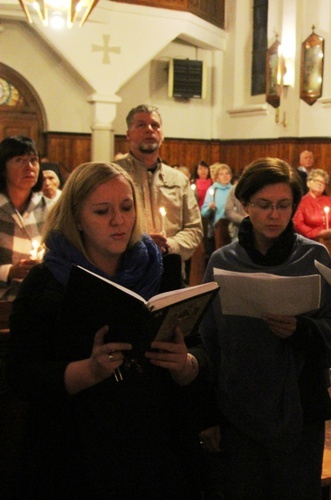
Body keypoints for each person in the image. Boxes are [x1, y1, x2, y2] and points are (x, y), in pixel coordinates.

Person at [6, 162, 204, 497]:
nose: (119, 220)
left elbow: (199, 350)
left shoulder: (162, 269)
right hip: (74, 450)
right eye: (102, 211)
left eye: (126, 208)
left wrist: (185, 364)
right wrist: (89, 370)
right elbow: (21, 375)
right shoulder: (46, 282)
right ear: (77, 219)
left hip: (153, 445)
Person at [198, 157, 331, 498]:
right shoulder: (223, 261)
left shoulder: (315, 257)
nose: (274, 215)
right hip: (236, 407)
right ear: (244, 205)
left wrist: (301, 332)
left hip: (300, 407)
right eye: (264, 205)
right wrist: (205, 412)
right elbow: (208, 342)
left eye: (284, 205)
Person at [115, 104, 202, 263]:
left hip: (169, 264)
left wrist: (168, 245)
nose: (149, 129)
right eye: (141, 125)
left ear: (162, 134)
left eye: (155, 125)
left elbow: (194, 228)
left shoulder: (178, 180)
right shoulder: (114, 175)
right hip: (125, 265)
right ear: (128, 134)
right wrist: (140, 244)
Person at [0, 136, 48, 299]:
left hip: (38, 300)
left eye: (33, 160)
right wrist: (10, 271)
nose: (29, 167)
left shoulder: (48, 207)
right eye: (19, 160)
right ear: (3, 168)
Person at [293, 168, 331, 239]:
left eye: (323, 182)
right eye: (316, 180)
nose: (319, 184)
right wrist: (316, 233)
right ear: (308, 183)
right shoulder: (301, 202)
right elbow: (298, 224)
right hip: (310, 240)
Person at [200, 163, 234, 256]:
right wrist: (210, 208)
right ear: (217, 177)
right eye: (221, 174)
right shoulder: (213, 190)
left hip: (233, 227)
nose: (225, 176)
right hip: (218, 227)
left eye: (227, 173)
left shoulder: (234, 190)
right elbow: (204, 212)